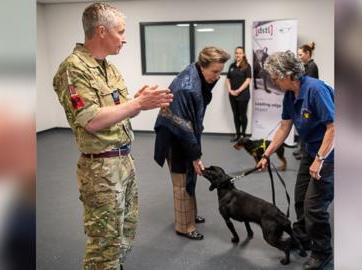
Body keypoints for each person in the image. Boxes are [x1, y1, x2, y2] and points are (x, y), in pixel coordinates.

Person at [52, 3, 173, 270]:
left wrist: (138, 101)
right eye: (121, 31)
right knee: (104, 245)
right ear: (101, 31)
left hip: (123, 163)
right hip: (100, 169)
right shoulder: (73, 69)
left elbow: (120, 113)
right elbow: (92, 120)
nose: (125, 38)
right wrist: (138, 104)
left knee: (123, 235)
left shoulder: (108, 68)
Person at [256, 51, 334, 270]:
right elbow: (284, 126)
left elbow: (334, 127)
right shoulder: (290, 94)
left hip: (329, 153)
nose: (273, 80)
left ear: (289, 74)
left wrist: (320, 159)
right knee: (300, 198)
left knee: (314, 206)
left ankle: (323, 252)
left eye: (275, 76)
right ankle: (304, 237)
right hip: (311, 149)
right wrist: (266, 153)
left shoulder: (315, 90)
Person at [154, 46, 230, 240]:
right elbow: (184, 127)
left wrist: (195, 156)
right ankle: (184, 226)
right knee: (181, 180)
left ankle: (190, 215)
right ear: (202, 66)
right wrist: (196, 156)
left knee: (191, 177)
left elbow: (193, 117)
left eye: (220, 71)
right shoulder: (187, 87)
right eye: (215, 72)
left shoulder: (197, 73)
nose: (217, 76)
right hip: (174, 136)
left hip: (184, 132)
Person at [295, 42, 320, 160]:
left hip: (308, 101)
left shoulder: (311, 67)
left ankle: (304, 151)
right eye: (298, 55)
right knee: (302, 125)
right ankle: (301, 149)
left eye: (300, 55)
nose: (299, 57)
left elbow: (309, 86)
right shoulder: (305, 66)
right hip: (303, 99)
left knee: (306, 126)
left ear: (307, 54)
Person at [226, 46, 252, 142]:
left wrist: (238, 90)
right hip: (232, 94)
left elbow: (248, 80)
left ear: (243, 54)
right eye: (236, 53)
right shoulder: (232, 66)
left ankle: (243, 135)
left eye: (240, 53)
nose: (238, 55)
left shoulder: (247, 66)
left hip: (243, 95)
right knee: (235, 115)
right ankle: (237, 134)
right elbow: (228, 79)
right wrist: (230, 90)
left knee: (242, 114)